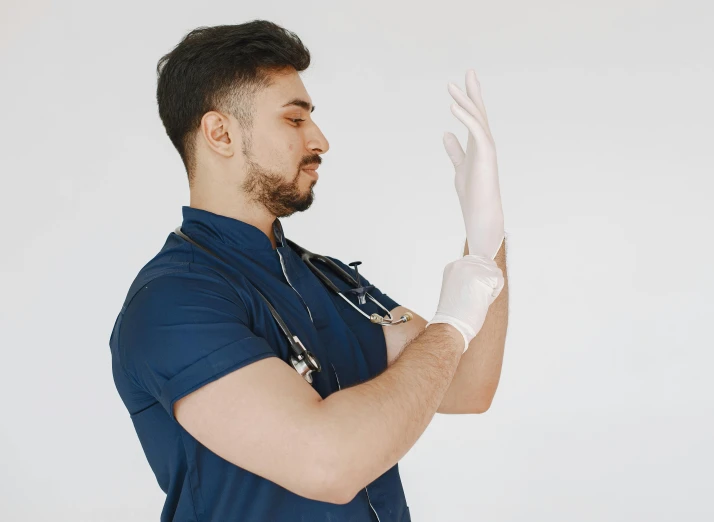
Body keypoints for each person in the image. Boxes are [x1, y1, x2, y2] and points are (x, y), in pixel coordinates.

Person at [109, 19, 508, 522]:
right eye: (295, 120)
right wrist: (450, 325)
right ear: (220, 133)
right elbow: (328, 463)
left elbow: (467, 385)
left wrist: (486, 237)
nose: (320, 140)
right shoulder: (173, 302)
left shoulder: (329, 280)